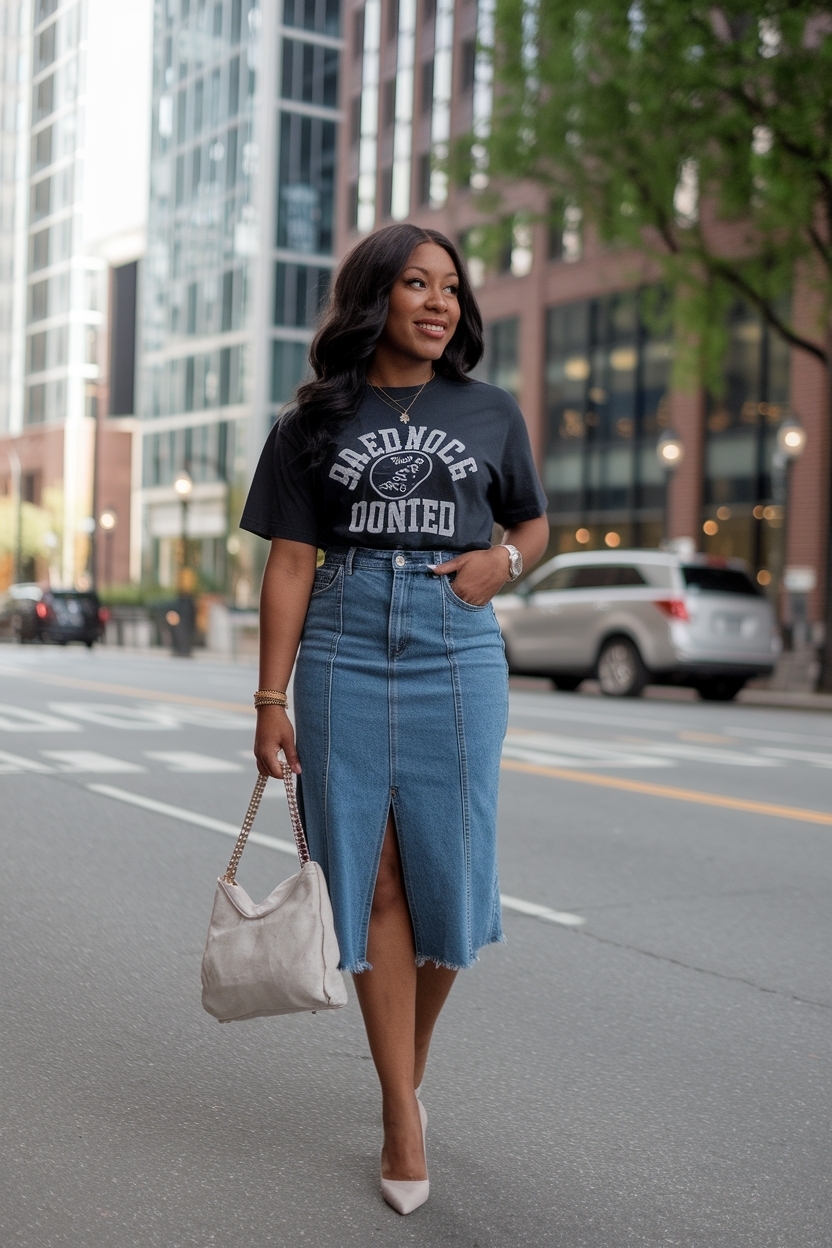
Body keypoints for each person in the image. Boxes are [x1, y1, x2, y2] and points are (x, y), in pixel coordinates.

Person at [241, 222, 549, 1215]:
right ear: (375, 296)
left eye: (451, 288)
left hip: (453, 644)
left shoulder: (490, 410)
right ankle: (398, 1114)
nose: (438, 302)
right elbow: (289, 562)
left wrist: (501, 563)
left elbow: (531, 524)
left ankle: (400, 1072)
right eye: (417, 283)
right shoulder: (311, 423)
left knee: (446, 884)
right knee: (370, 878)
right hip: (340, 640)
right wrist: (267, 696)